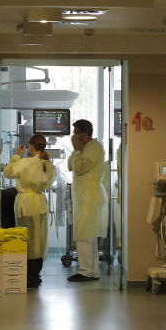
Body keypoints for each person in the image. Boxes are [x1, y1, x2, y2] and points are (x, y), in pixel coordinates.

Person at [3, 134, 57, 289]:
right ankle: (35, 275)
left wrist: (17, 156)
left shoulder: (24, 162)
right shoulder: (48, 165)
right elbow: (48, 182)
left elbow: (7, 172)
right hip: (40, 203)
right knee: (38, 241)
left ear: (32, 146)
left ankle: (28, 275)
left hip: (26, 205)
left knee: (26, 240)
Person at [67, 119, 108, 282]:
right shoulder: (84, 148)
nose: (74, 137)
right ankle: (92, 270)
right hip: (83, 195)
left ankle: (85, 270)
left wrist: (77, 150)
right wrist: (76, 150)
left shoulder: (94, 147)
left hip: (89, 195)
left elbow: (79, 168)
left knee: (85, 231)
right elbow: (70, 166)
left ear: (85, 134)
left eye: (76, 133)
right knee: (87, 232)